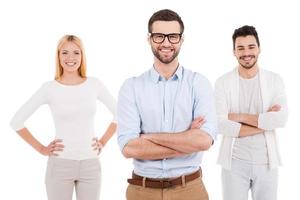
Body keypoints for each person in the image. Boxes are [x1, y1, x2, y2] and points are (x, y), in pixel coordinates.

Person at [117, 9, 217, 200]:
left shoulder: (199, 83)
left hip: (190, 189)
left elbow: (204, 141)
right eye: (159, 36)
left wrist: (147, 137)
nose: (166, 43)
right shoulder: (132, 87)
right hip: (142, 191)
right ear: (149, 39)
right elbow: (129, 148)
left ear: (181, 39)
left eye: (172, 36)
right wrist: (187, 139)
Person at [10, 35, 117, 200]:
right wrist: (41, 149)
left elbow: (121, 114)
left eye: (76, 52)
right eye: (65, 53)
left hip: (90, 164)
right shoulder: (49, 88)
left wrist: (103, 141)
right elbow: (16, 121)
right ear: (58, 56)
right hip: (60, 164)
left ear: (82, 56)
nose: (70, 58)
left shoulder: (94, 85)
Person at [215, 25, 288, 200]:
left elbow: (281, 119)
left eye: (251, 47)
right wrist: (264, 122)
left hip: (267, 163)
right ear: (234, 52)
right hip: (234, 163)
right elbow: (220, 124)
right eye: (240, 48)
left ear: (259, 48)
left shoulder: (274, 80)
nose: (246, 53)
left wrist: (237, 117)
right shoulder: (223, 83)